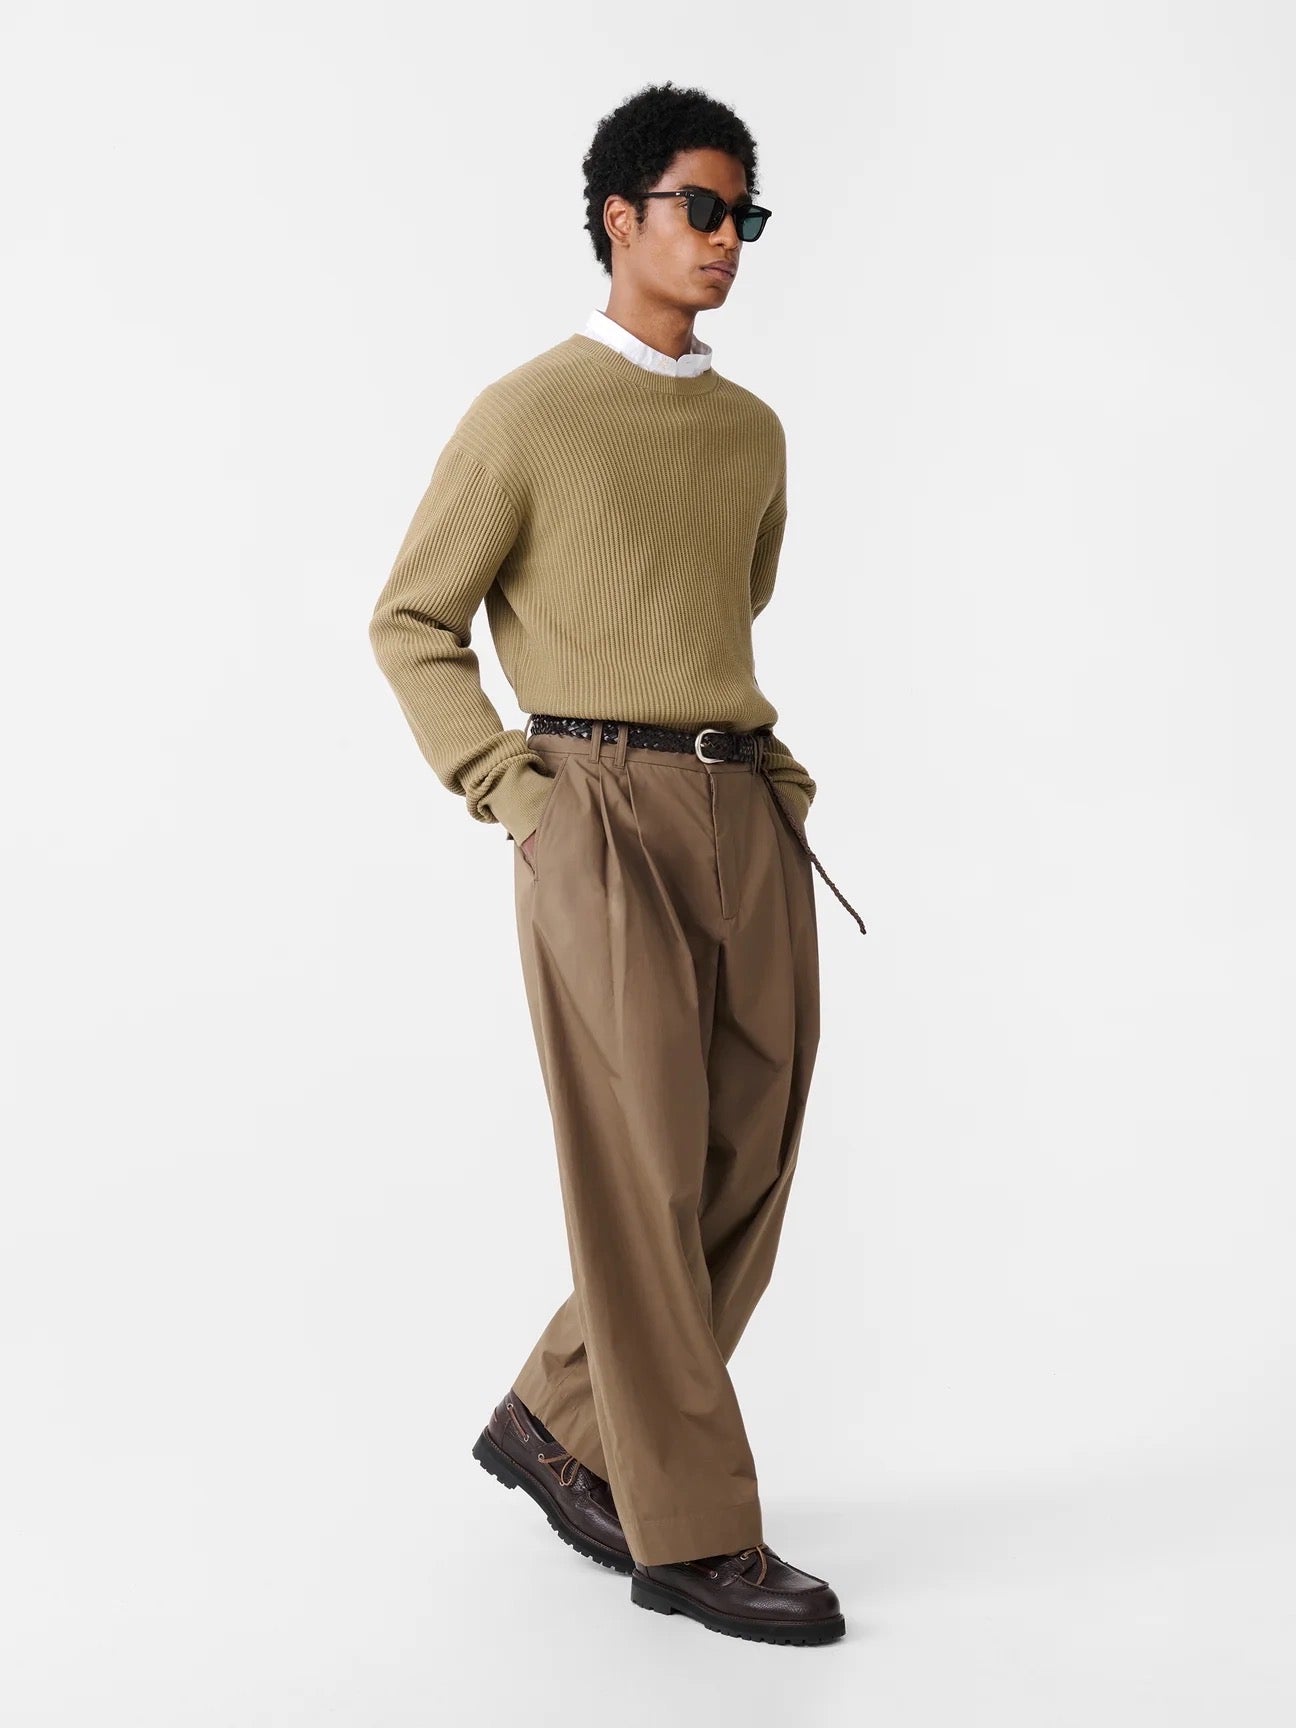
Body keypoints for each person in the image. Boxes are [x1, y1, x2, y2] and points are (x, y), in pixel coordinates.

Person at [368, 80, 864, 1646]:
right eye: (700, 208)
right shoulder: (526, 413)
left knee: (746, 1162)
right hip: (595, 809)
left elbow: (721, 607)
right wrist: (516, 791)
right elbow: (412, 620)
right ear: (620, 216)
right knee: (645, 1172)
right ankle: (695, 1535)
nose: (727, 239)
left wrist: (765, 790)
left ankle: (554, 1418)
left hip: (744, 804)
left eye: (744, 216)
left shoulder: (751, 433)